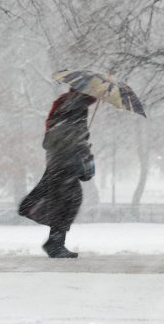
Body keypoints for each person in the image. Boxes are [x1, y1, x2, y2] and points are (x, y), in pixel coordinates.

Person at [19, 88, 97, 258]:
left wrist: (81, 139)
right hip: (65, 162)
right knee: (68, 202)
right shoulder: (78, 105)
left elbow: (58, 133)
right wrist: (82, 142)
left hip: (58, 160)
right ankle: (54, 243)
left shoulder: (67, 103)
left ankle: (54, 242)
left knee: (63, 201)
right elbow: (71, 133)